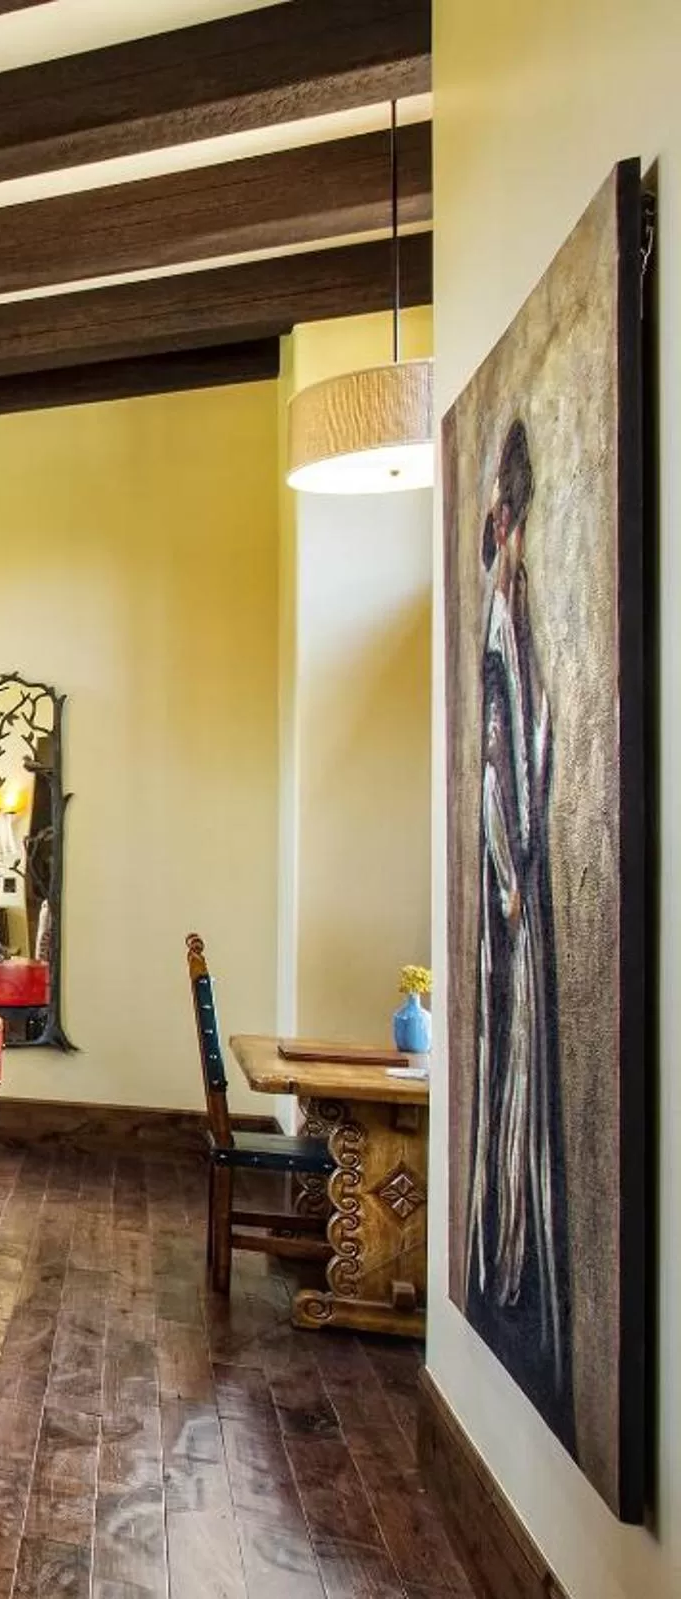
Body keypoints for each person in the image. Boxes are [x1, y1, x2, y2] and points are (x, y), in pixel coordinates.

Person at [464, 417, 572, 1434]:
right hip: (510, 894)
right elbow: (507, 766)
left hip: (514, 896)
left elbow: (516, 761)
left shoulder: (511, 620)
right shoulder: (503, 627)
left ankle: (506, 1259)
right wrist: (508, 874)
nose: (509, 535)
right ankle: (504, 1254)